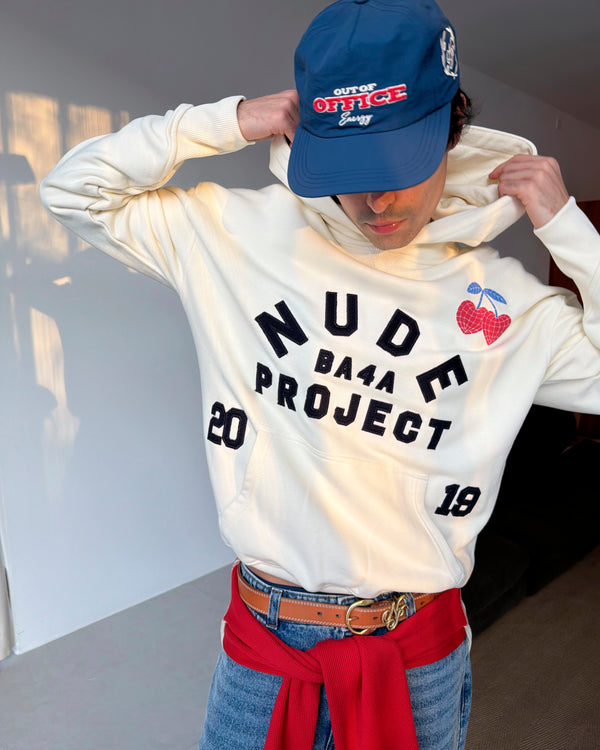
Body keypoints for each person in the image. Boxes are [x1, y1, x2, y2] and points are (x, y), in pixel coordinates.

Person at [40, 0, 600, 748]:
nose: (377, 200)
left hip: (415, 651)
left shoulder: (508, 304)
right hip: (266, 643)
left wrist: (568, 228)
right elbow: (72, 189)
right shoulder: (232, 233)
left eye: (398, 165)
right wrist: (229, 120)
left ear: (449, 130)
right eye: (351, 170)